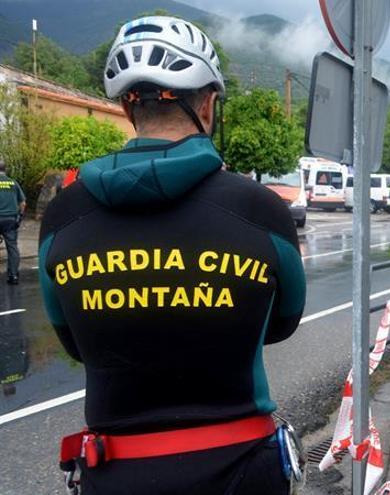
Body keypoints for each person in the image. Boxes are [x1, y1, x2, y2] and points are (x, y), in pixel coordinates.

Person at [39, 17, 306, 495]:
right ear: (207, 105)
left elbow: (76, 344)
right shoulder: (261, 209)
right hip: (241, 467)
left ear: (127, 105)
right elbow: (282, 323)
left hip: (117, 473)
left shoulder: (62, 217)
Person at [0, 158, 26, 285]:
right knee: (12, 248)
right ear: (5, 170)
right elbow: (23, 203)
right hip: (10, 219)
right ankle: (13, 275)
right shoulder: (13, 183)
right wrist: (20, 216)